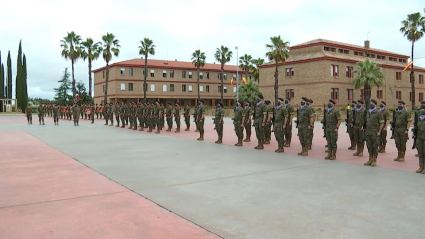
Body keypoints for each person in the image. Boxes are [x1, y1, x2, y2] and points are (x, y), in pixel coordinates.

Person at [363, 99, 385, 167]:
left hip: (375, 132)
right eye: (370, 103)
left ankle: (374, 160)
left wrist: (379, 131)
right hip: (368, 132)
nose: (371, 104)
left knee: (375, 146)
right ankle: (370, 159)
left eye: (372, 103)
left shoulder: (378, 112)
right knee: (369, 146)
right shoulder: (368, 112)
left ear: (375, 105)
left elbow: (381, 123)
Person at [415, 105, 425, 173]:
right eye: (421, 109)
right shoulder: (419, 118)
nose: (422, 110)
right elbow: (416, 126)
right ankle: (421, 167)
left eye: (423, 109)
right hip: (419, 137)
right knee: (420, 152)